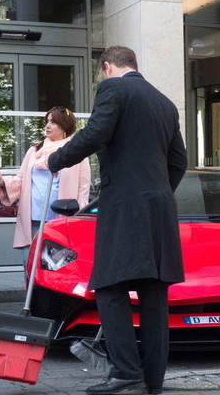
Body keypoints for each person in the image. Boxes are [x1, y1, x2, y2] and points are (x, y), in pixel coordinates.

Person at [46, 46, 187, 395]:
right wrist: (156, 193)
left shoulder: (113, 89)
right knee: (154, 294)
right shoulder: (165, 104)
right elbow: (179, 161)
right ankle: (153, 379)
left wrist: (55, 159)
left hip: (124, 207)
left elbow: (95, 134)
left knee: (109, 287)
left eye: (102, 71)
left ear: (108, 67)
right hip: (160, 210)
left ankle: (125, 372)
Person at [0, 107, 91, 273]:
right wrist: (1, 181)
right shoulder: (34, 151)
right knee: (28, 263)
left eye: (53, 122)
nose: (48, 125)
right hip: (34, 219)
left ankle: (49, 299)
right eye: (47, 121)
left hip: (61, 221)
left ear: (65, 126)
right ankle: (32, 299)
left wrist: (78, 216)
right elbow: (20, 179)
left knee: (57, 266)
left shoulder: (76, 153)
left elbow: (83, 188)